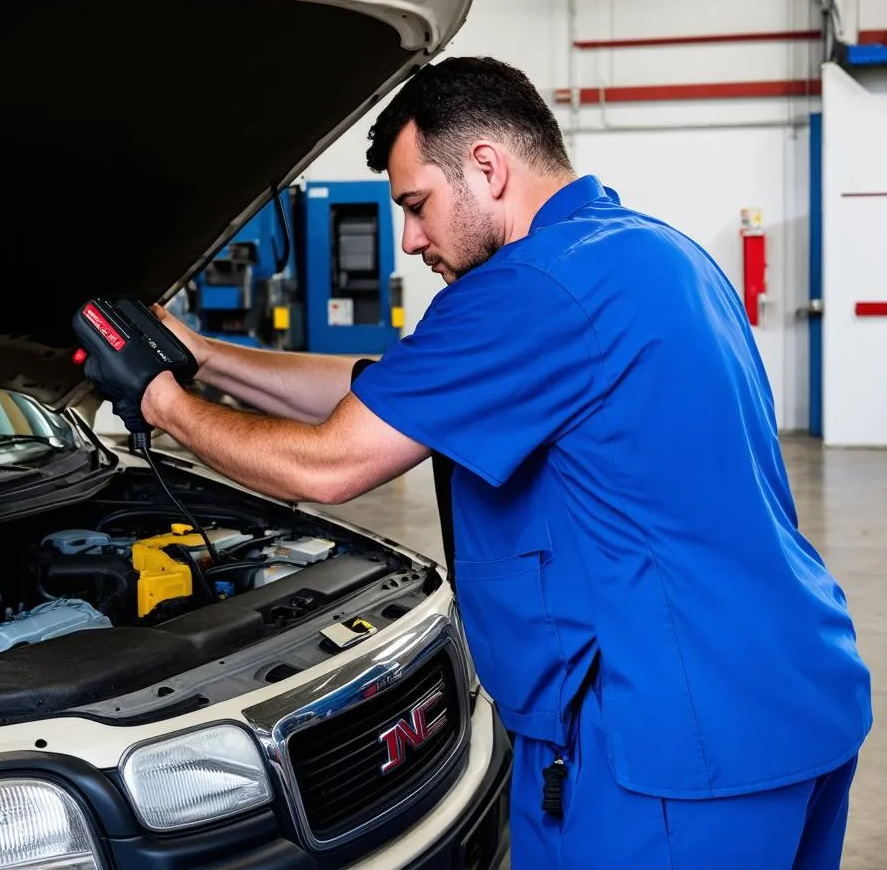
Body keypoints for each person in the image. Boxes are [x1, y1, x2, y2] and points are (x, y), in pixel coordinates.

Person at [84, 57, 872, 869]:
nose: (412, 240)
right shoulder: (650, 256)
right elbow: (387, 394)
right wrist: (203, 357)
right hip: (796, 696)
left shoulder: (529, 287)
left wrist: (164, 406)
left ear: (487, 167)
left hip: (673, 745)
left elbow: (330, 465)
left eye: (417, 205)